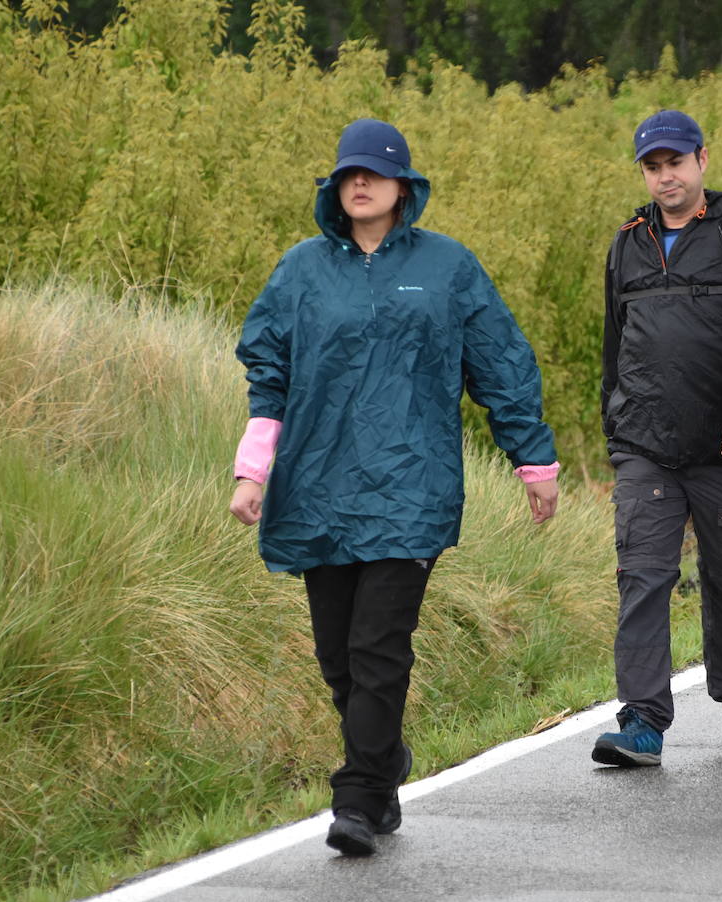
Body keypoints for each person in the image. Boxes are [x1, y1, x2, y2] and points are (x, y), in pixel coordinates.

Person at [229, 118, 559, 855]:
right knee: (337, 655)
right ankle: (384, 763)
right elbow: (268, 372)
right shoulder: (302, 271)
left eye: (374, 174)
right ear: (335, 187)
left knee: (380, 646)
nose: (360, 183)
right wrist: (253, 471)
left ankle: (355, 797)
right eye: (349, 173)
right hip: (318, 487)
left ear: (403, 187)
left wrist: (533, 462)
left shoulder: (447, 268)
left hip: (412, 487)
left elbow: (501, 364)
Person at [593, 109, 722, 767]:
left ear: (702, 160)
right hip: (645, 446)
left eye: (675, 162)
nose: (665, 177)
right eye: (652, 167)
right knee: (643, 578)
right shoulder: (627, 243)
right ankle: (643, 723)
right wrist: (615, 427)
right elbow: (613, 346)